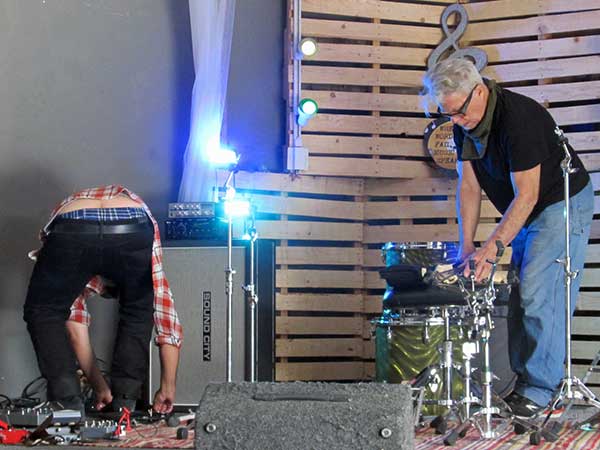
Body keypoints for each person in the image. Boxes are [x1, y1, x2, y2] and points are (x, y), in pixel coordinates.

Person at [421, 58, 594, 417]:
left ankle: (541, 390)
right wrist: (466, 246)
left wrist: (492, 249)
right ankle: (525, 386)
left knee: (537, 289)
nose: (454, 121)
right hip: (527, 207)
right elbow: (468, 188)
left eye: (459, 112)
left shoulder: (519, 120)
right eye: (447, 114)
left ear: (479, 91)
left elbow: (527, 194)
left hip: (559, 201)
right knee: (520, 294)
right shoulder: (460, 123)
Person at [24, 185, 183, 414]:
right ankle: (124, 403)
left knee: (45, 311)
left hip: (74, 224)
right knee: (139, 311)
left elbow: (75, 330)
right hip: (133, 224)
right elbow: (165, 315)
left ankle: (66, 402)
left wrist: (95, 387)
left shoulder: (77, 273)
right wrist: (168, 387)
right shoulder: (124, 268)